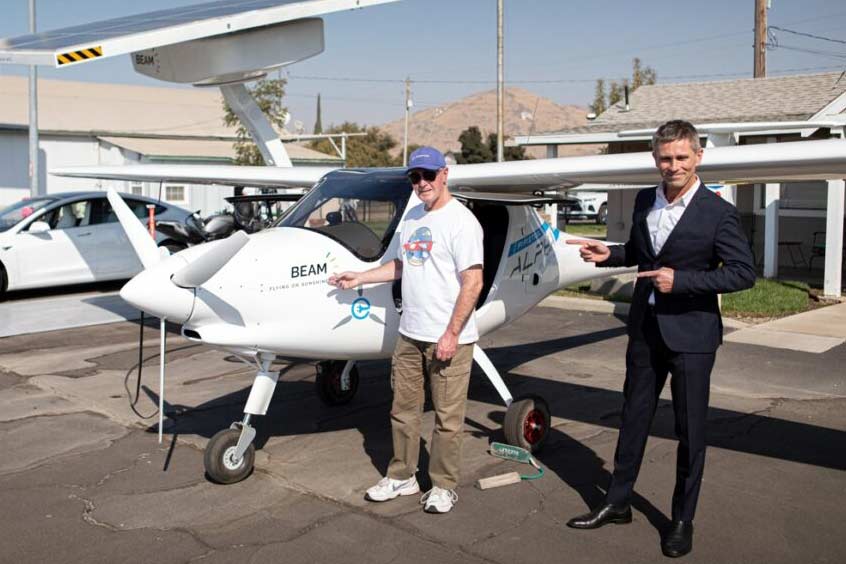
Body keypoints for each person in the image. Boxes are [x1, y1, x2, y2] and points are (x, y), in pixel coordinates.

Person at [565, 120, 755, 557]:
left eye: (681, 158)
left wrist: (683, 281)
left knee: (690, 431)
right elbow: (640, 253)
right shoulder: (644, 200)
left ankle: (682, 519)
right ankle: (617, 501)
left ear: (698, 157)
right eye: (665, 158)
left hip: (692, 337)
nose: (673, 166)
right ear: (655, 158)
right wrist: (609, 254)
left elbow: (744, 273)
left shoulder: (717, 212)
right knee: (632, 420)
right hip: (646, 332)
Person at [329, 146, 484, 514]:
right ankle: (403, 476)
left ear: (444, 174)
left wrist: (451, 334)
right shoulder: (413, 216)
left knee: (447, 419)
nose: (422, 183)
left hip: (449, 337)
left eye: (428, 175)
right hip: (411, 332)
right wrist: (361, 277)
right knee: (403, 409)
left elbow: (473, 282)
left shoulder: (462, 222)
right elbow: (403, 264)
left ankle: (444, 486)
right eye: (415, 177)